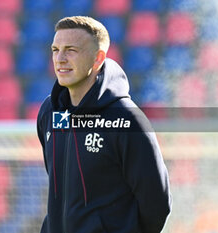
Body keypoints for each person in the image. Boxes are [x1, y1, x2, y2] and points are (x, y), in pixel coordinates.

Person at [37, 16, 171, 233]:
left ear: (98, 58)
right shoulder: (50, 112)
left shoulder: (127, 119)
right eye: (55, 49)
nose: (60, 58)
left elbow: (156, 203)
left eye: (71, 50)